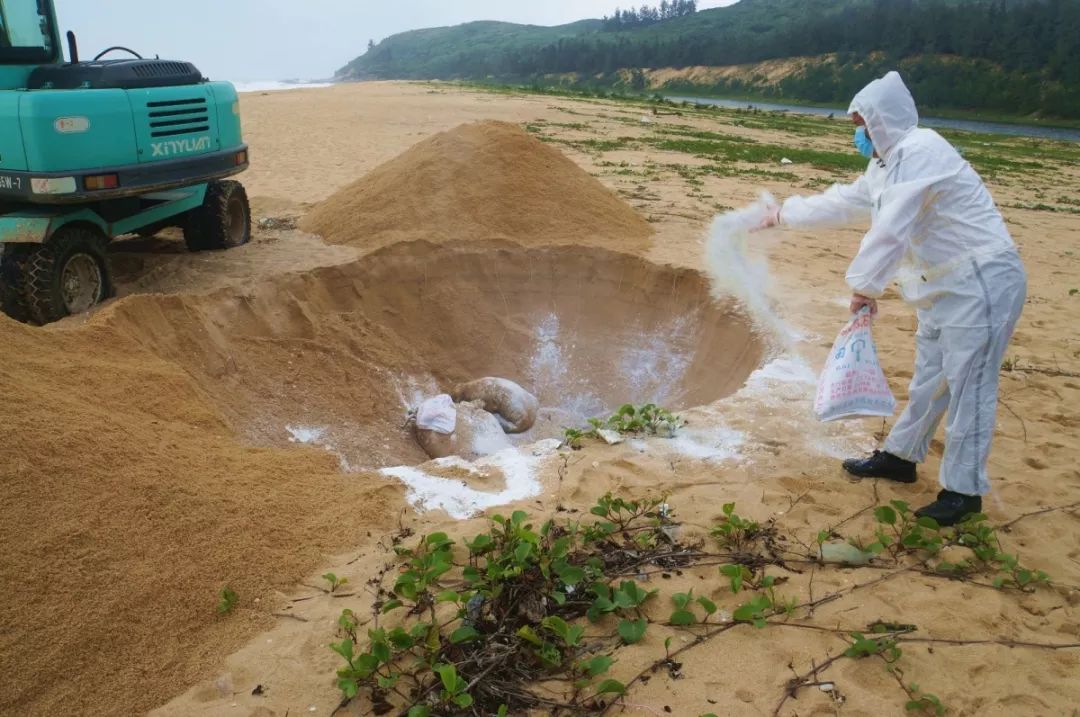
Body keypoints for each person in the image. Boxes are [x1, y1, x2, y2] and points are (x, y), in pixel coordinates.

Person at [759, 71, 1027, 526]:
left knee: (969, 387)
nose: (858, 133)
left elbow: (892, 227)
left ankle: (963, 493)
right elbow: (844, 201)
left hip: (981, 281)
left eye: (862, 123)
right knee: (930, 378)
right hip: (941, 283)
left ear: (883, 120)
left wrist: (865, 287)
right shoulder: (885, 163)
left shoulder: (920, 151)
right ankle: (901, 457)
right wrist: (783, 213)